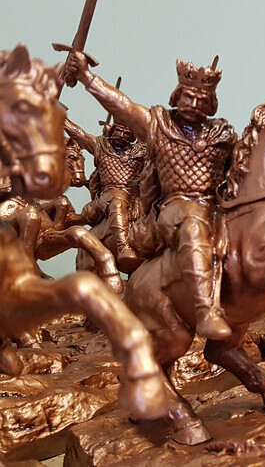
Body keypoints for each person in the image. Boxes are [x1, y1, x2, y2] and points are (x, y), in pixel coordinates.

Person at [65, 53, 237, 340]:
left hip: (211, 209)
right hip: (172, 208)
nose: (194, 104)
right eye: (188, 97)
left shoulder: (222, 134)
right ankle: (204, 310)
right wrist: (86, 76)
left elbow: (239, 169)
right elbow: (122, 106)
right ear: (177, 96)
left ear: (211, 103)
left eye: (202, 99)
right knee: (190, 222)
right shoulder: (160, 126)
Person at [64, 118, 146, 268]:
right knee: (117, 200)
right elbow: (78, 133)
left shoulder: (141, 151)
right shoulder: (100, 146)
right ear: (111, 130)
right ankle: (123, 246)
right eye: (119, 131)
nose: (122, 135)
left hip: (135, 196)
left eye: (127, 133)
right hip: (108, 194)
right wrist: (60, 116)